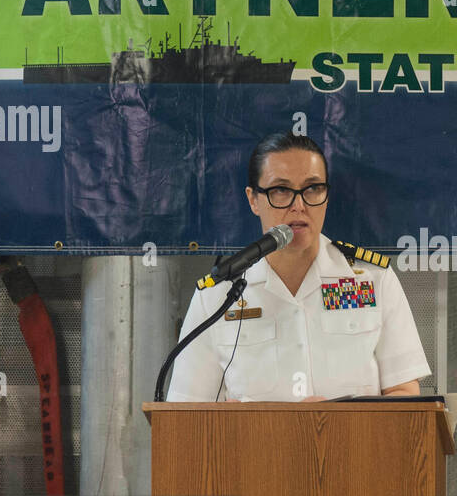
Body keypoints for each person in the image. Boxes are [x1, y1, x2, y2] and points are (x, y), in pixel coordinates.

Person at [166, 132, 431, 402]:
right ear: (253, 199)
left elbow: (405, 397)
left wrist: (333, 421)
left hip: (352, 445)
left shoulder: (373, 281)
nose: (299, 205)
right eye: (280, 190)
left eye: (312, 188)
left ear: (327, 196)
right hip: (253, 445)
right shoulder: (217, 296)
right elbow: (185, 412)